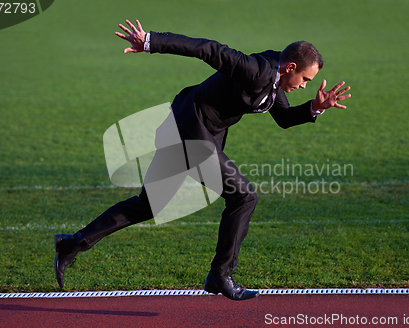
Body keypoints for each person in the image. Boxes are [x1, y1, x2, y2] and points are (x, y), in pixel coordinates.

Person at [54, 19, 351, 301]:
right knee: (244, 197)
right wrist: (150, 42)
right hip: (191, 131)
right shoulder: (255, 69)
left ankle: (71, 245)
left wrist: (314, 107)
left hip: (189, 130)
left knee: (149, 204)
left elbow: (284, 118)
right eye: (305, 80)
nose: (304, 86)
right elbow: (208, 49)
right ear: (290, 67)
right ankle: (220, 276)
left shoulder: (276, 81)